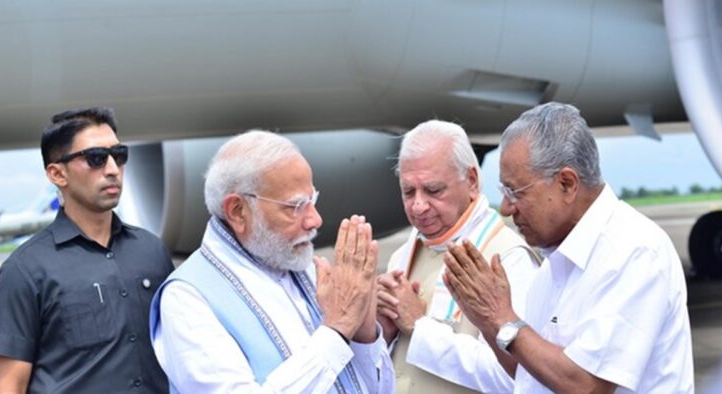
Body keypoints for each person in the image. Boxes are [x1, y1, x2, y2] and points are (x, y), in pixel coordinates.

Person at [443, 102, 694, 393]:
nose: (507, 208)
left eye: (515, 192)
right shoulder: (554, 264)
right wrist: (488, 323)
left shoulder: (634, 250)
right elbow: (531, 375)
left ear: (566, 183)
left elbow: (588, 385)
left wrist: (502, 319)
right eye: (503, 192)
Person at [149, 130, 395, 393]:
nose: (315, 220)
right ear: (237, 211)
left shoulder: (303, 266)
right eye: (295, 206)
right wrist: (337, 328)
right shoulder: (187, 299)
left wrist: (364, 334)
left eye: (313, 200)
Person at [0, 107, 174, 393]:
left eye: (119, 155)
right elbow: (9, 385)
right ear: (57, 174)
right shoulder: (24, 270)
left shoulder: (152, 251)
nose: (113, 169)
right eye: (96, 158)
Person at [377, 120, 539, 393]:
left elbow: (519, 378)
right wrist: (379, 334)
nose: (418, 205)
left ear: (472, 181)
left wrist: (419, 327)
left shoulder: (509, 258)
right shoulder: (402, 257)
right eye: (408, 191)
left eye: (433, 190)